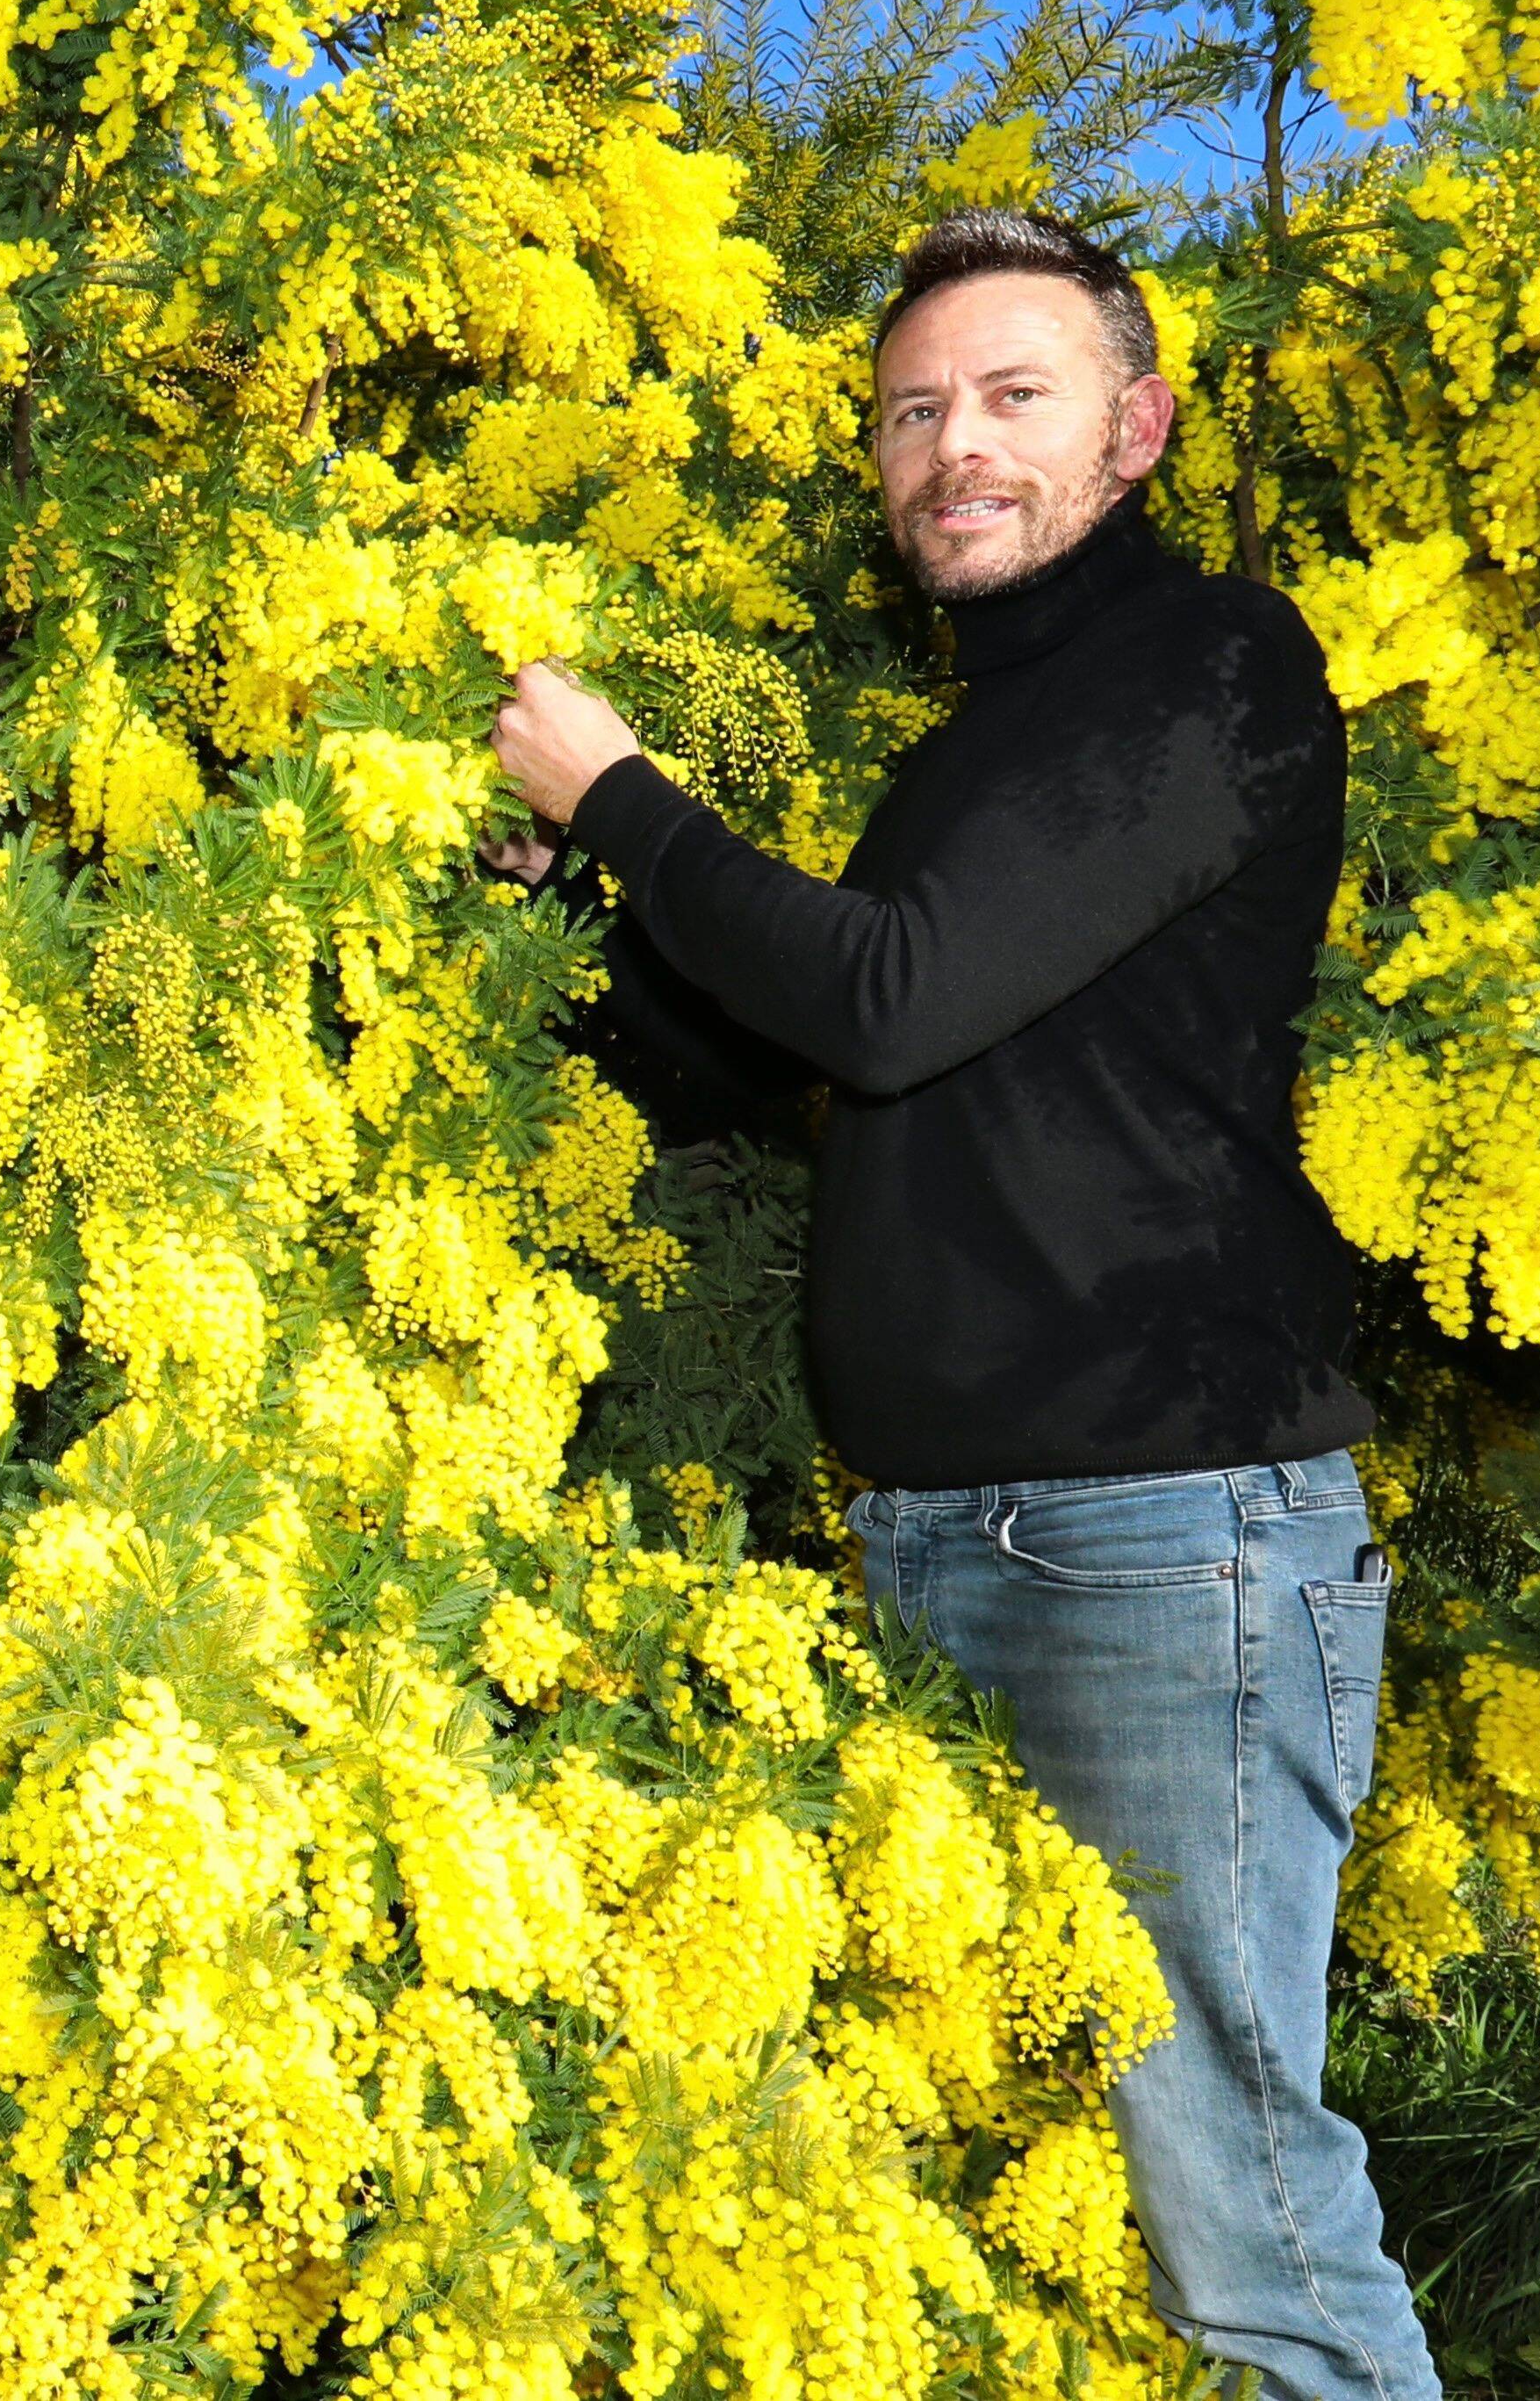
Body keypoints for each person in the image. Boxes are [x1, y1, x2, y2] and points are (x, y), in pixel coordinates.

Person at [485, 210, 1438, 2401]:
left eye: (1012, 396)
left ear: (1138, 426)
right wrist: (571, 923)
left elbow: (887, 999)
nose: (955, 447)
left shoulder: (1213, 669)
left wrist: (625, 796)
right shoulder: (964, 753)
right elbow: (761, 1063)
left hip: (1159, 1534)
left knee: (1235, 2204)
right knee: (1013, 2166)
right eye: (915, 412)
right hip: (942, 1526)